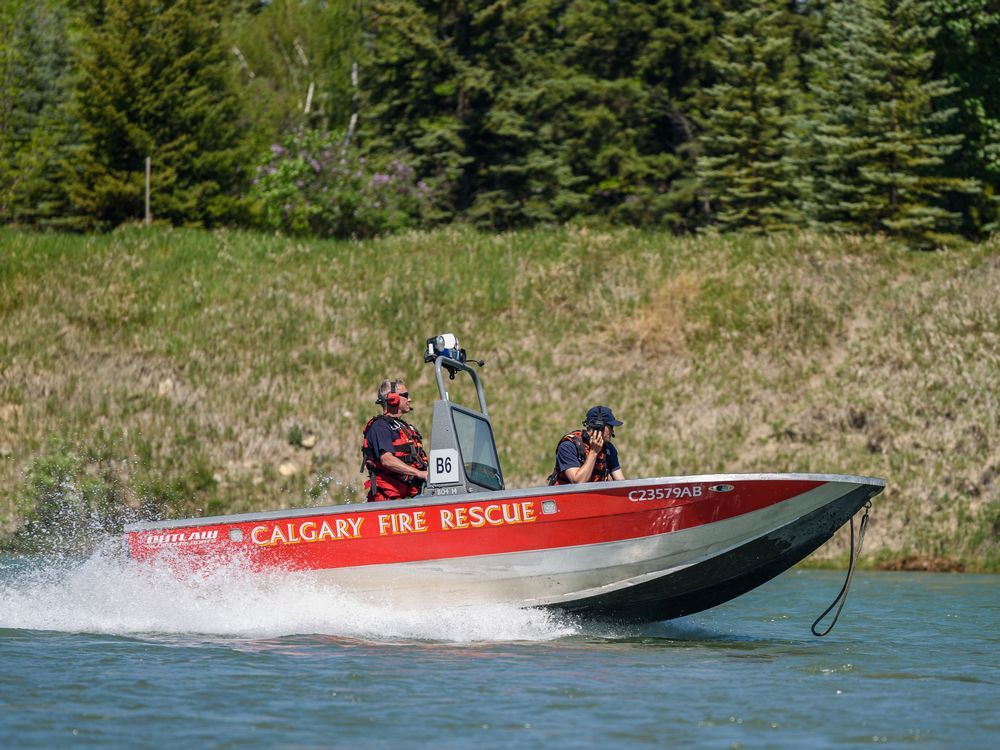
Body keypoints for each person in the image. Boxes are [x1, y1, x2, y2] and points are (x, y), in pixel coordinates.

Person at [361, 379, 429, 501]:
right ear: (393, 399)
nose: (410, 399)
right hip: (389, 503)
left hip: (410, 496)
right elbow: (387, 460)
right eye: (406, 396)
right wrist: (419, 473)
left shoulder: (405, 427)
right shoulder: (380, 426)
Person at [547, 405, 625, 485]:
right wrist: (594, 452)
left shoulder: (609, 449)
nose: (613, 431)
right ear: (599, 427)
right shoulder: (568, 446)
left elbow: (621, 483)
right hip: (567, 496)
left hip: (593, 496)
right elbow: (578, 482)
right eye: (610, 427)